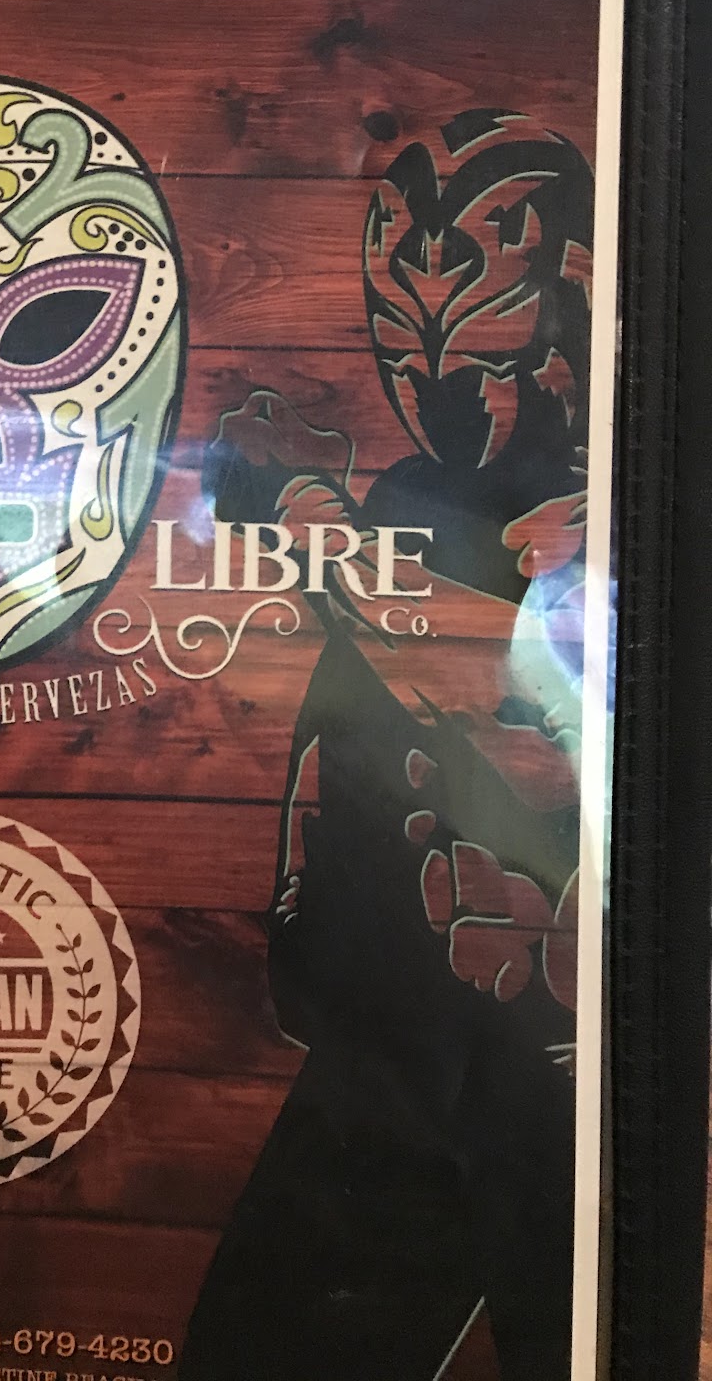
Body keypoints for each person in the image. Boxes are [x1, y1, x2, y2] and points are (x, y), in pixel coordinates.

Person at [183, 111, 593, 1380]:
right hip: (393, 1048)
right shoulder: (419, 497)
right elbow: (367, 699)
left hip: (554, 1055)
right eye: (403, 335)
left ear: (571, 294)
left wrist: (307, 509)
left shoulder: (622, 490)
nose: (436, 376)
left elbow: (493, 676)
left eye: (478, 329)